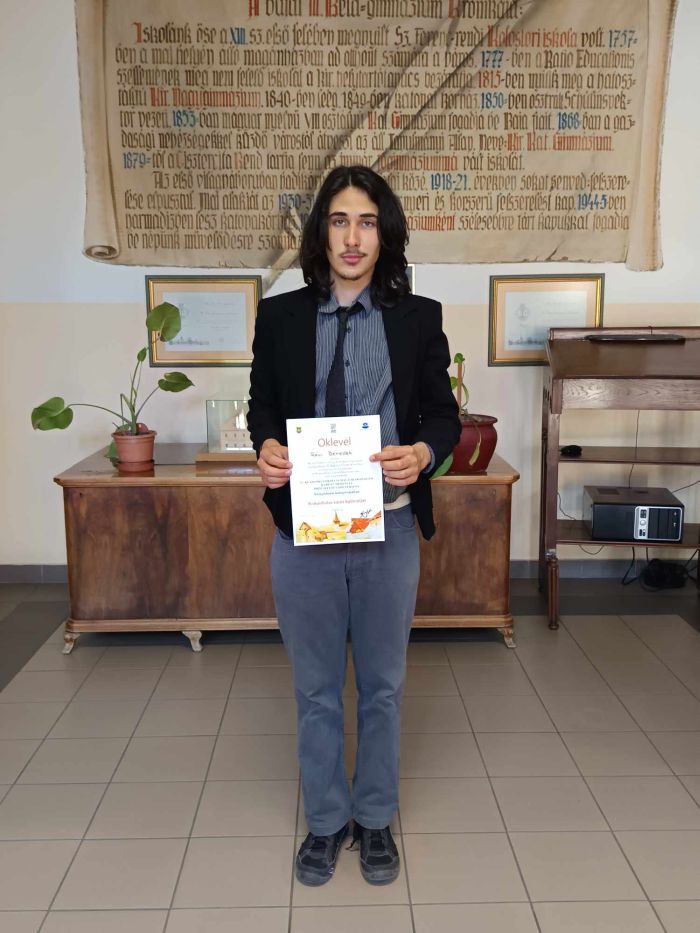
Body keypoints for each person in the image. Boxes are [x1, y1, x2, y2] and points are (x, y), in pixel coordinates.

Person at [247, 165, 460, 886]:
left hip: (387, 531)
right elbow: (263, 404)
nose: (352, 236)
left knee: (381, 688)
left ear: (383, 235)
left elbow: (443, 415)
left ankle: (373, 818)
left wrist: (423, 453)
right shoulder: (280, 317)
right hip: (303, 534)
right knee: (314, 690)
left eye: (367, 221)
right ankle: (325, 821)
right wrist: (266, 446)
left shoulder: (418, 316)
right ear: (321, 232)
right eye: (339, 220)